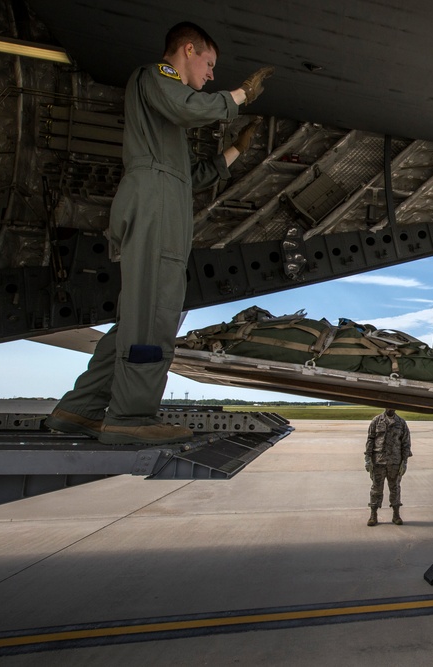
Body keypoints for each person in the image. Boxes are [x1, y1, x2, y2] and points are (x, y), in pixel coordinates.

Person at [44, 22, 273, 445]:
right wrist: (240, 96)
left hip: (158, 200)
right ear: (188, 50)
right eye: (208, 64)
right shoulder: (158, 77)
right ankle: (131, 417)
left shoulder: (163, 118)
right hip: (156, 207)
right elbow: (192, 108)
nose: (210, 75)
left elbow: (191, 174)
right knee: (156, 313)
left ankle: (81, 409)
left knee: (136, 315)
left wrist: (238, 149)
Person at [364, 408, 412, 526]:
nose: (390, 408)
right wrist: (368, 459)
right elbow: (370, 439)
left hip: (395, 463)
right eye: (388, 406)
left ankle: (396, 515)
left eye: (393, 406)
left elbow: (406, 443)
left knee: (395, 488)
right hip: (378, 462)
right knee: (376, 489)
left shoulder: (401, 422)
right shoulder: (376, 421)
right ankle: (373, 515)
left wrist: (404, 461)